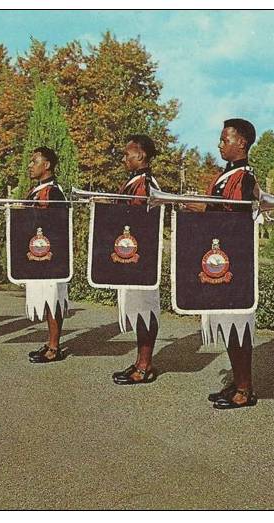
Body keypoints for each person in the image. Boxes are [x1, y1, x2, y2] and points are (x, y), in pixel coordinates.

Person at [184, 118, 259, 409]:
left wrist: (206, 208)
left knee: (238, 324)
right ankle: (238, 381)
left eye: (224, 139)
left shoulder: (245, 177)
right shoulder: (223, 176)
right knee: (228, 325)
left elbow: (237, 217)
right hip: (221, 259)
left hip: (235, 263)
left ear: (241, 142)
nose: (219, 144)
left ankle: (245, 387)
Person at [111, 135, 164, 385]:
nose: (124, 159)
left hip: (141, 258)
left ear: (141, 156)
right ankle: (141, 360)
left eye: (127, 154)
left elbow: (137, 219)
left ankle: (145, 365)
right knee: (138, 308)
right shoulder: (134, 182)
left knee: (145, 308)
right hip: (132, 256)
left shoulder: (145, 183)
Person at [25, 146, 70, 364]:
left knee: (53, 298)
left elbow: (57, 225)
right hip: (39, 253)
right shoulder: (36, 190)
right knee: (44, 298)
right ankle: (50, 342)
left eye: (34, 161)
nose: (30, 166)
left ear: (47, 165)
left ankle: (55, 347)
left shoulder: (53, 192)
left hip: (51, 256)